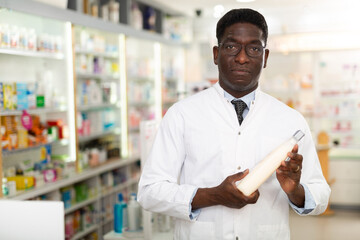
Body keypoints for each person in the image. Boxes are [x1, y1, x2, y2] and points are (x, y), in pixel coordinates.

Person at [137, 8, 330, 240]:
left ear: (265, 57)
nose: (242, 57)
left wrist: (294, 190)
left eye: (254, 48)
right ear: (216, 54)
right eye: (231, 46)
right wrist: (213, 195)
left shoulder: (290, 120)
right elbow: (149, 192)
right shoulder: (182, 114)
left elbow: (320, 195)